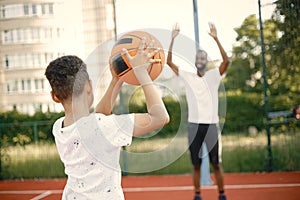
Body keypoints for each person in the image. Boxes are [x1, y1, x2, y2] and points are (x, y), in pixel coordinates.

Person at [45, 38, 169, 200]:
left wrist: (116, 80)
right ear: (89, 87)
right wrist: (141, 72)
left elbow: (98, 117)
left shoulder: (59, 127)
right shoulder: (104, 127)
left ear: (54, 97)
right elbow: (160, 117)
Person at [167, 23, 230, 200]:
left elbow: (226, 62)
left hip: (211, 126)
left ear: (207, 62)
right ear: (195, 62)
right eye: (198, 58)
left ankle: (222, 194)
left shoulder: (214, 76)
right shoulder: (188, 76)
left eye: (203, 58)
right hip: (194, 126)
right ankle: (197, 195)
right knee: (196, 164)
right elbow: (169, 62)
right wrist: (172, 39)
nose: (200, 60)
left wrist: (216, 38)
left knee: (216, 164)